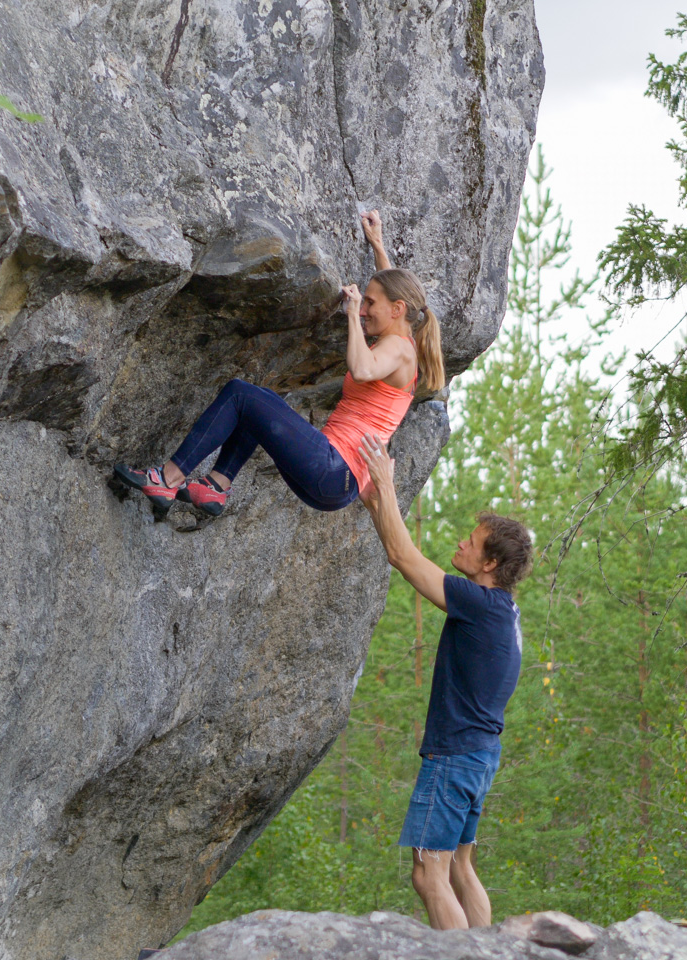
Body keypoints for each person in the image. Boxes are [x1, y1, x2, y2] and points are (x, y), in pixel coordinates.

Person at [112, 210, 444, 517]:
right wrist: (377, 245)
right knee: (262, 405)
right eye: (365, 303)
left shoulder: (399, 349)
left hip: (333, 469)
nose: (365, 309)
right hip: (337, 484)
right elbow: (392, 291)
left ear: (397, 310)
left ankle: (167, 479)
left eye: (371, 303)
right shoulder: (404, 339)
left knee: (240, 395)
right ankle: (216, 486)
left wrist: (353, 314)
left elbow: (362, 369)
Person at [357, 432, 533, 930]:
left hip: (454, 758)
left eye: (471, 543)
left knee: (428, 875)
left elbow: (403, 557)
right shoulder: (503, 611)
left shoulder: (478, 605)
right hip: (480, 756)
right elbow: (398, 549)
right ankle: (488, 951)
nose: (461, 543)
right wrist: (377, 505)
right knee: (459, 866)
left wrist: (387, 485)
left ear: (490, 564)